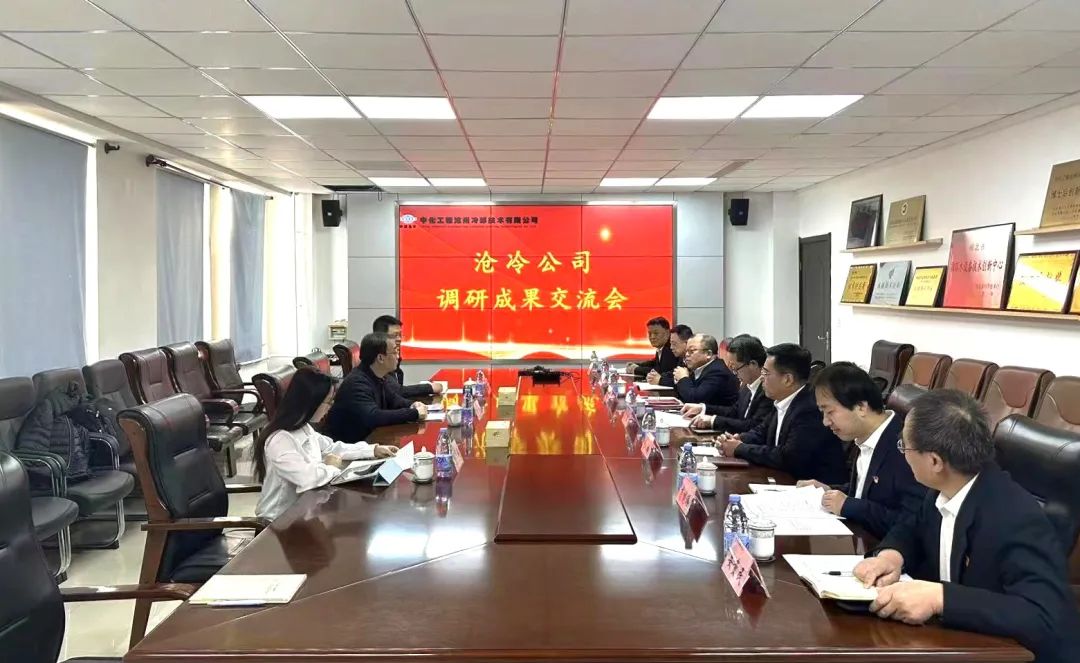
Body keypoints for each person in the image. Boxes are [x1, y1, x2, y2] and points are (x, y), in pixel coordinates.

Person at [854, 391, 1080, 663]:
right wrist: (892, 555)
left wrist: (941, 599)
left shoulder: (1015, 518)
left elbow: (1042, 616)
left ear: (935, 461)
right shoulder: (947, 486)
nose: (902, 454)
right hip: (955, 640)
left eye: (905, 447)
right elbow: (913, 527)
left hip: (1013, 654)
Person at [798, 361, 925, 539]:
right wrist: (828, 490)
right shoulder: (865, 435)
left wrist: (849, 505)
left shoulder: (904, 448)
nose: (825, 422)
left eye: (830, 412)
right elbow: (866, 491)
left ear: (861, 408)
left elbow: (911, 524)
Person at [254, 368, 399, 521]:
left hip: (304, 512)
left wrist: (373, 450)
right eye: (328, 401)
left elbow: (331, 448)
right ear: (311, 402)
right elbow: (308, 479)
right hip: (277, 522)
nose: (331, 406)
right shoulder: (280, 440)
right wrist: (332, 466)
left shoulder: (304, 428)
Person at [718, 343, 846, 484]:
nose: (761, 378)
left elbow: (788, 457)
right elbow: (761, 431)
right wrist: (738, 439)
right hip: (783, 479)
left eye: (765, 373)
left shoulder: (809, 408)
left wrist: (739, 448)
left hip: (810, 488)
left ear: (787, 379)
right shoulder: (782, 400)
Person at [323, 332, 428, 443]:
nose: (398, 357)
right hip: (347, 447)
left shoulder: (377, 376)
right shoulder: (357, 383)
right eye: (395, 352)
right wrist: (414, 413)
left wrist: (412, 404)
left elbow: (393, 399)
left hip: (368, 441)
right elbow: (373, 417)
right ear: (380, 358)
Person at [683, 334, 772, 434]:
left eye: (735, 368)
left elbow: (752, 426)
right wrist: (703, 408)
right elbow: (734, 411)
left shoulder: (768, 391)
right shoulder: (747, 387)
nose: (734, 373)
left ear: (753, 364)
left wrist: (713, 421)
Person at [372, 314, 445, 399]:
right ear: (380, 336)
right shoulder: (377, 358)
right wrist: (429, 388)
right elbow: (396, 391)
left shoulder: (392, 356)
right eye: (395, 335)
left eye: (400, 335)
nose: (399, 339)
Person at [671, 334, 740, 408]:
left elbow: (695, 400)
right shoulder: (698, 368)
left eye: (692, 351)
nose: (687, 355)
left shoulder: (718, 372)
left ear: (708, 354)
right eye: (686, 351)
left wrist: (683, 378)